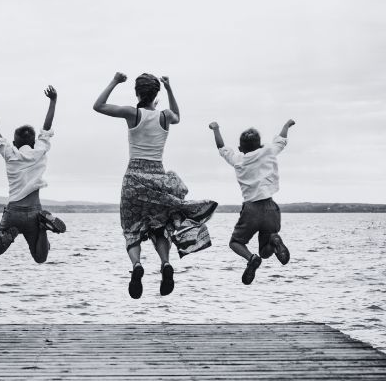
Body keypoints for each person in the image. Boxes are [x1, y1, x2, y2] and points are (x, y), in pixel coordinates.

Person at [94, 72, 217, 299]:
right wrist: (170, 87)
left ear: (137, 93)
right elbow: (178, 115)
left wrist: (114, 81)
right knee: (159, 228)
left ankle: (138, 265)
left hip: (134, 178)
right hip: (158, 177)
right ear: (156, 94)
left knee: (131, 229)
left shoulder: (132, 113)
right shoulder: (165, 116)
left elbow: (98, 106)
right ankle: (165, 263)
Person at [0, 82, 66, 263]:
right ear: (33, 142)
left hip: (14, 211)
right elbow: (46, 129)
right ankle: (43, 226)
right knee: (40, 257)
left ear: (14, 143)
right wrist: (53, 101)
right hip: (34, 212)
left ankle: (6, 234)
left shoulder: (11, 153)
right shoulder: (39, 150)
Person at [210, 119, 295, 284]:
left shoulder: (238, 159)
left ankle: (251, 258)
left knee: (235, 242)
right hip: (271, 208)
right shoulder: (269, 151)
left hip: (251, 210)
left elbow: (221, 148)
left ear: (241, 148)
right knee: (265, 251)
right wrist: (286, 125)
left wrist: (216, 128)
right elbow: (281, 140)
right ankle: (274, 241)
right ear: (261, 145)